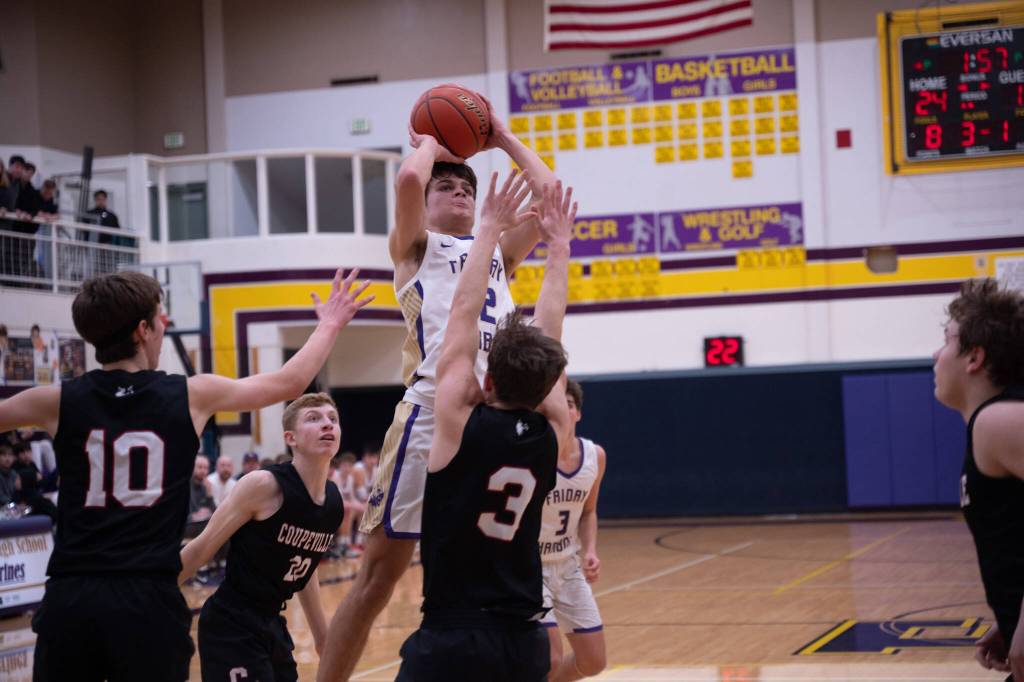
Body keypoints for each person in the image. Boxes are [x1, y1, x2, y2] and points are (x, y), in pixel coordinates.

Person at [0, 266, 373, 682]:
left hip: (72, 596)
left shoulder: (57, 400)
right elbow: (292, 381)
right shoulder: (190, 394)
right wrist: (330, 323)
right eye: (161, 318)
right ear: (143, 330)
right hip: (148, 595)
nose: (165, 325)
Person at [318, 91, 561, 682]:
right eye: (448, 188)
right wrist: (430, 139)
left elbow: (549, 196)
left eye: (469, 189)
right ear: (425, 207)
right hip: (433, 411)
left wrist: (500, 134)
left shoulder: (496, 251)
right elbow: (406, 178)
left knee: (495, 565)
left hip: (498, 416)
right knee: (381, 575)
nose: (462, 194)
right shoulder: (417, 248)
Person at [393, 172, 576, 681]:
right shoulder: (553, 436)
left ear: (485, 378)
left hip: (453, 635)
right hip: (524, 641)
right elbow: (550, 328)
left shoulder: (456, 425)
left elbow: (462, 316)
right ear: (550, 386)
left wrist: (490, 230)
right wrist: (557, 249)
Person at [180, 393, 345, 682]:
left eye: (333, 419)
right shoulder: (263, 485)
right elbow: (201, 548)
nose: (327, 425)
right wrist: (152, 598)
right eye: (314, 418)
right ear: (290, 438)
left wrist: (323, 638)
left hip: (272, 624)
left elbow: (304, 567)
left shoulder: (333, 502)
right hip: (231, 623)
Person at [933, 279, 1024, 681]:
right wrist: (1012, 618)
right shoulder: (990, 426)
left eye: (946, 341)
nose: (935, 354)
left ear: (975, 357)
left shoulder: (998, 421)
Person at [539, 379, 608, 681]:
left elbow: (589, 511)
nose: (563, 410)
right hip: (530, 569)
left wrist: (590, 550)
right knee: (550, 659)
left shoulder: (595, 456)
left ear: (578, 413)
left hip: (568, 567)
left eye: (568, 404)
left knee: (594, 661)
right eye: (556, 405)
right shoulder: (534, 457)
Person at [190, 456, 217, 523]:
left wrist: (209, 495)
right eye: (200, 467)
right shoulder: (185, 485)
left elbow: (215, 514)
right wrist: (196, 516)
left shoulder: (205, 486)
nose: (203, 471)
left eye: (206, 468)